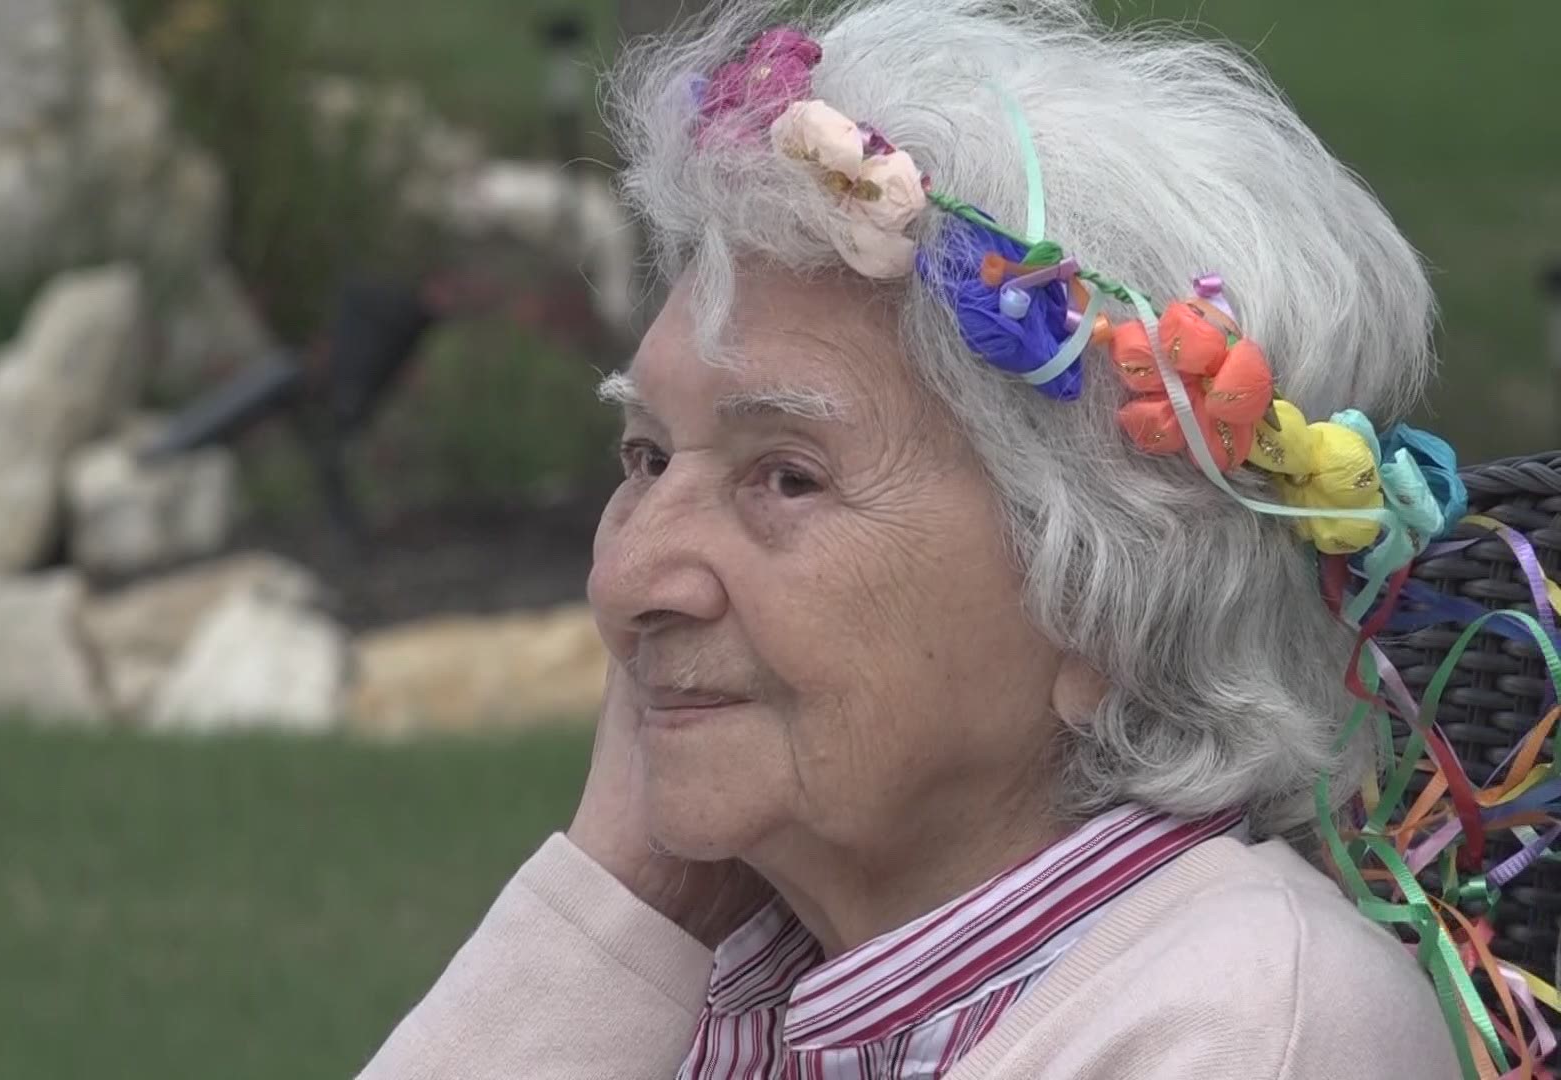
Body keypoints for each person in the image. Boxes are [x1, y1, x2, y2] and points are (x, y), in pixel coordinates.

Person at [360, 1, 1509, 1076]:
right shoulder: (748, 961)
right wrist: (622, 899)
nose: (627, 580)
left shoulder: (1240, 1029)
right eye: (648, 458)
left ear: (1106, 598)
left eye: (787, 478)